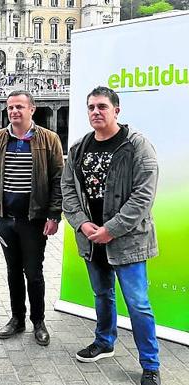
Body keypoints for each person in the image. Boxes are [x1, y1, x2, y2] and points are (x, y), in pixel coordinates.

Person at [61, 86, 160, 385]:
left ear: (116, 110)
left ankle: (150, 364)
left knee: (138, 304)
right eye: (91, 107)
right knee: (102, 295)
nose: (95, 112)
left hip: (127, 241)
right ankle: (104, 342)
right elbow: (67, 190)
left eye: (102, 106)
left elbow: (144, 196)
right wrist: (82, 224)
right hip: (92, 241)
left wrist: (111, 229)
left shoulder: (137, 146)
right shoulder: (79, 148)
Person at [0, 90, 64, 346]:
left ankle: (38, 321)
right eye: (10, 108)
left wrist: (54, 214)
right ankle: (17, 319)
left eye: (19, 107)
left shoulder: (49, 139)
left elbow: (57, 180)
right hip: (5, 217)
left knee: (34, 271)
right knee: (13, 271)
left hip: (34, 219)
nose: (14, 111)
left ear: (32, 109)